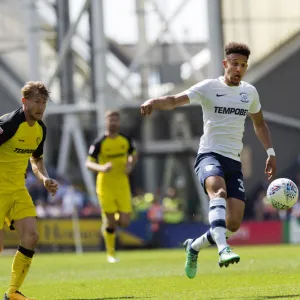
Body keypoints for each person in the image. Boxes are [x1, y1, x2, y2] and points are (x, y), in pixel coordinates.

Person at [140, 42, 276, 278]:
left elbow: (259, 123)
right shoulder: (209, 87)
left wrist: (270, 153)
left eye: (243, 65)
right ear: (225, 64)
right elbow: (174, 100)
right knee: (219, 192)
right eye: (234, 64)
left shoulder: (249, 92)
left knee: (232, 224)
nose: (238, 69)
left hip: (233, 162)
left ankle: (193, 247)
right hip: (209, 154)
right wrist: (154, 101)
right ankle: (223, 249)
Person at [0, 81, 59, 300]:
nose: (41, 107)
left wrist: (44, 179)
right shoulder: (9, 123)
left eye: (44, 102)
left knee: (31, 237)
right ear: (24, 102)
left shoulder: (40, 129)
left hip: (17, 189)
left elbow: (36, 160)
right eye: (36, 101)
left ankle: (13, 292)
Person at [86, 110, 137, 263]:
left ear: (119, 122)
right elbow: (88, 163)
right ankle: (111, 254)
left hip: (122, 184)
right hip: (105, 185)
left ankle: (109, 223)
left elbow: (134, 154)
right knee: (110, 221)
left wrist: (130, 164)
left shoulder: (125, 140)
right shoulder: (99, 143)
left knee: (125, 222)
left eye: (115, 120)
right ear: (106, 122)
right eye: (110, 120)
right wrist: (101, 168)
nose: (113, 122)